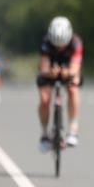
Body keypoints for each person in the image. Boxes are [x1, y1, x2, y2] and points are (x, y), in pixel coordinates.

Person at [37, 16, 83, 150]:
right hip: (50, 68)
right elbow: (44, 66)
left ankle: (73, 129)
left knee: (73, 89)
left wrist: (69, 73)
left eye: (62, 44)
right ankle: (44, 134)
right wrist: (50, 72)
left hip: (68, 68)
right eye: (56, 44)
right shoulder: (45, 42)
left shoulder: (76, 42)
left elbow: (75, 67)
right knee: (44, 99)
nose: (59, 47)